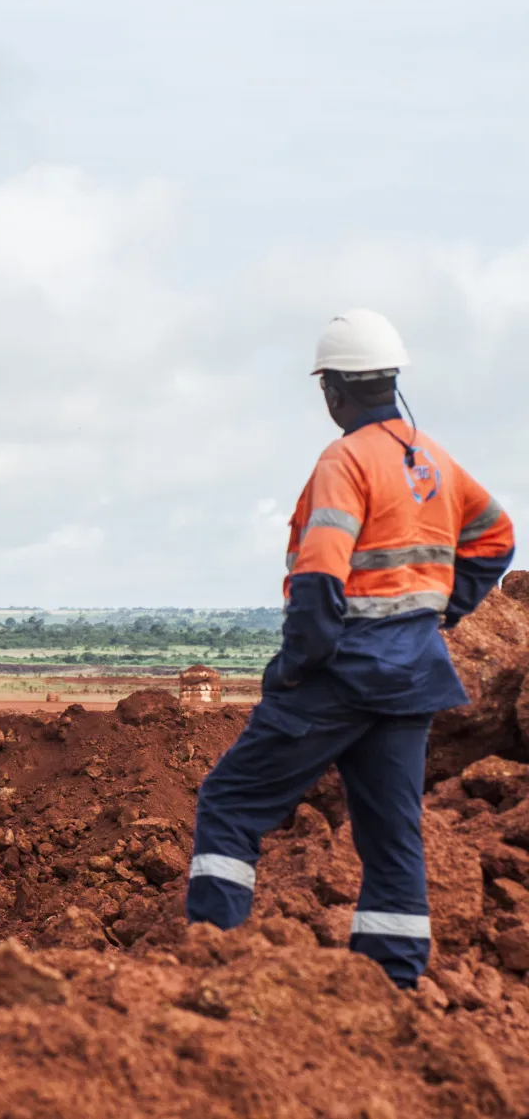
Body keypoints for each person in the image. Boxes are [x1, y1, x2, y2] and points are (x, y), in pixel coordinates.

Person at [185, 309, 515, 987]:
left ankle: (213, 962)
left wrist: (296, 666)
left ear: (332, 389)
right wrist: (443, 608)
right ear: (392, 381)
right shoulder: (434, 459)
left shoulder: (345, 460)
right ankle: (392, 984)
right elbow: (497, 538)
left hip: (343, 673)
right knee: (392, 835)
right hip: (413, 677)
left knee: (228, 801)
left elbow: (316, 581)